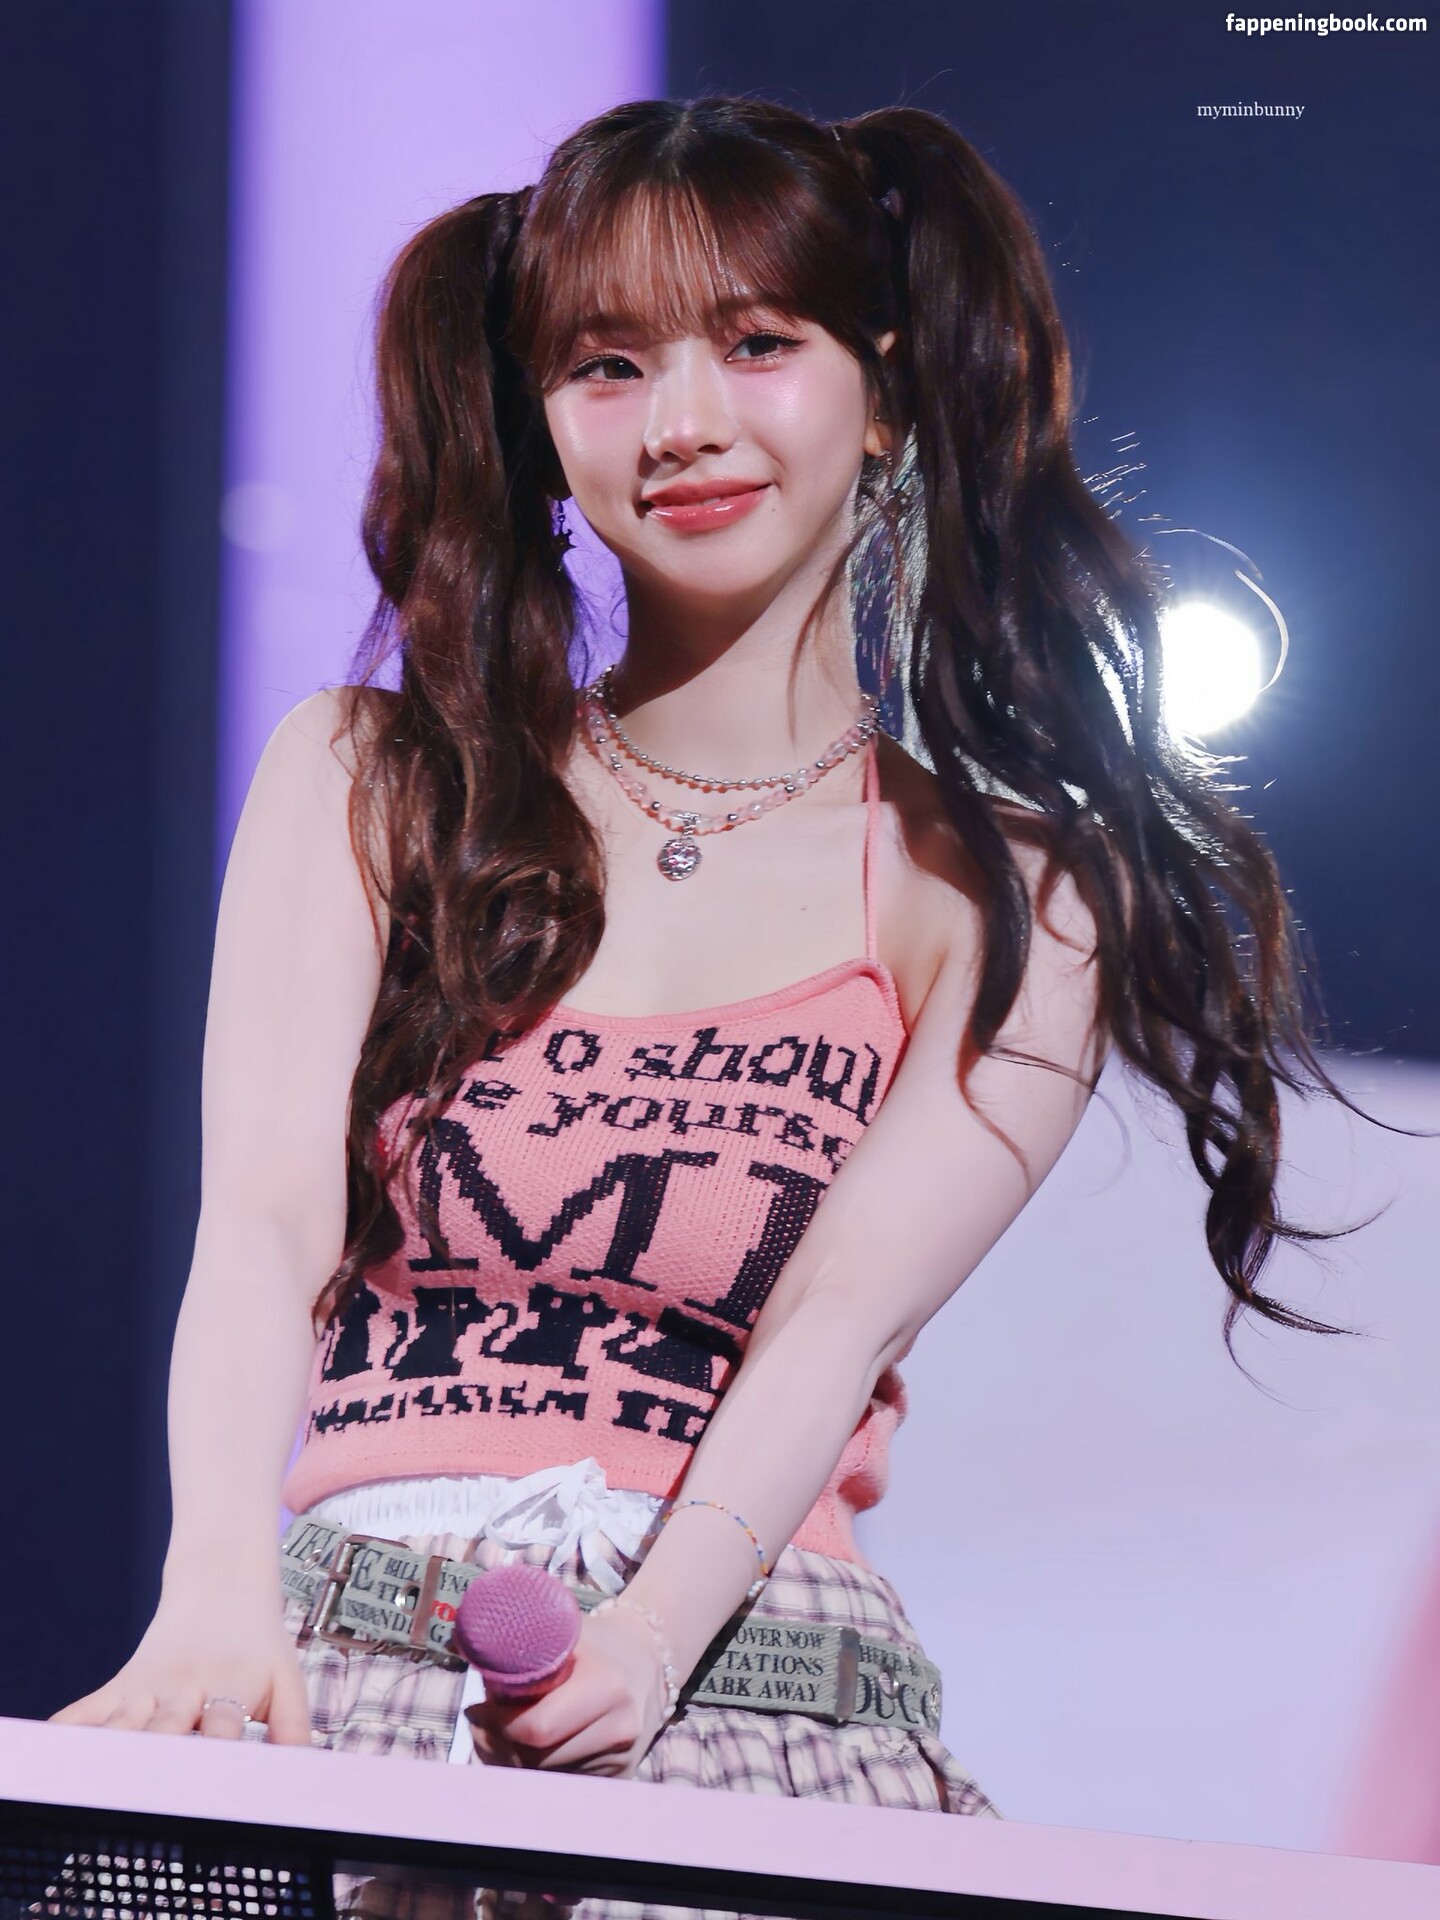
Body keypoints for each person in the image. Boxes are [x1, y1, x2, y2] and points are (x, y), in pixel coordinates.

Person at [52, 93, 1374, 1910]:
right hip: (336, 1661)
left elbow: (830, 1325)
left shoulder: (1009, 895)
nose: (681, 422)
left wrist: (650, 1642)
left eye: (757, 344)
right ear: (539, 420)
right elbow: (265, 1219)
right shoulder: (373, 783)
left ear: (883, 389)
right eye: (608, 365)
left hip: (753, 1691)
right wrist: (212, 1586)